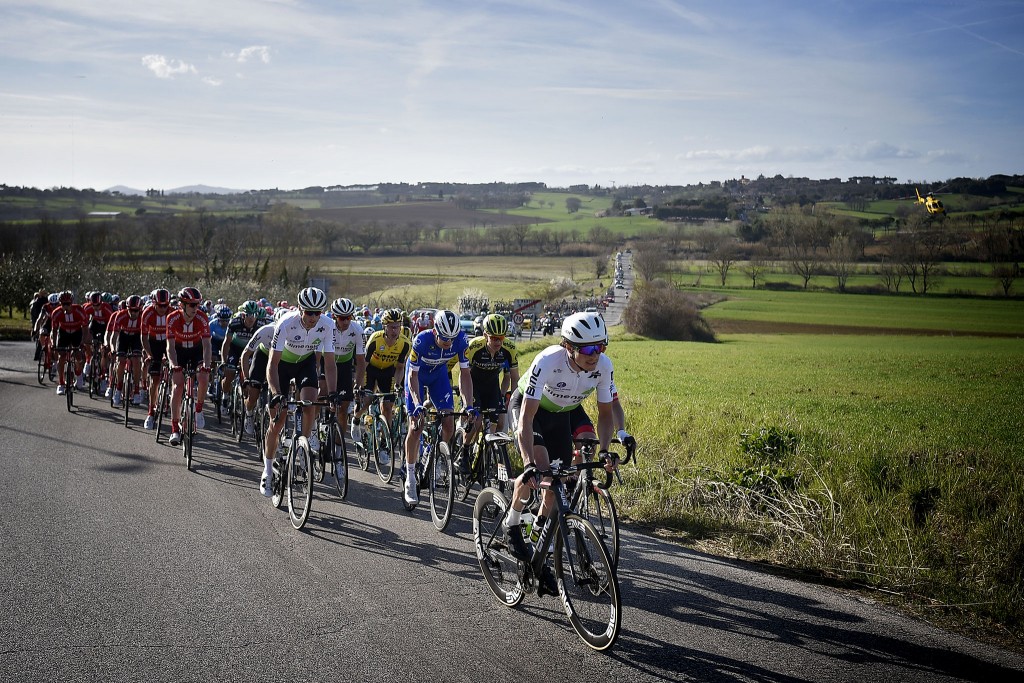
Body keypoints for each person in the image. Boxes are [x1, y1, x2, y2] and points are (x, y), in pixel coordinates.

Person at [502, 311, 619, 596]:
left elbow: (605, 415)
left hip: (563, 413)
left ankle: (539, 532)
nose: (595, 354)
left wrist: (604, 450)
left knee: (556, 487)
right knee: (540, 471)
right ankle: (512, 520)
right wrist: (529, 463)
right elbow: (526, 421)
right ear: (569, 347)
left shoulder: (603, 366)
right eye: (589, 349)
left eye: (600, 346)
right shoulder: (548, 361)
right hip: (532, 412)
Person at [260, 287, 339, 497]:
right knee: (277, 421)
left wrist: (332, 392)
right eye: (309, 312)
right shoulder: (286, 323)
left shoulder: (328, 325)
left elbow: (330, 364)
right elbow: (272, 364)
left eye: (318, 313)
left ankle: (302, 448)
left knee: (310, 404)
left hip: (305, 363)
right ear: (301, 309)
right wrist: (276, 392)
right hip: (282, 366)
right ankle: (267, 470)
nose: (313, 317)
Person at [402, 309, 476, 505]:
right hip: (417, 376)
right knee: (416, 426)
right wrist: (417, 403)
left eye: (452, 339)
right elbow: (413, 377)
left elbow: (465, 374)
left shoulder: (461, 340)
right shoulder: (421, 340)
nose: (449, 343)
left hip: (438, 376)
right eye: (445, 338)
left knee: (449, 423)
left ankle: (438, 458)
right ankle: (410, 477)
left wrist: (468, 404)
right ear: (435, 331)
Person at [359, 308, 411, 465]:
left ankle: (383, 443)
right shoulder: (375, 339)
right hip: (371, 370)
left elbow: (400, 368)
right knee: (367, 399)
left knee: (387, 406)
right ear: (384, 327)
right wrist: (359, 385)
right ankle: (356, 419)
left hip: (388, 372)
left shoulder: (404, 343)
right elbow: (363, 364)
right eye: (391, 326)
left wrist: (397, 385)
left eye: (398, 326)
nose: (395, 330)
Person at [165, 287, 213, 446]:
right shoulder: (172, 318)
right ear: (182, 305)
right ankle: (174, 429)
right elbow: (170, 347)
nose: (196, 308)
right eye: (192, 305)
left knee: (204, 376)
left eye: (198, 305)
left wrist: (206, 365)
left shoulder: (202, 317)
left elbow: (207, 345)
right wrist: (174, 365)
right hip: (179, 351)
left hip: (196, 351)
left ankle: (198, 410)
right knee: (177, 386)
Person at [325, 298, 365, 452]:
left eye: (349, 317)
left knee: (343, 408)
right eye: (342, 318)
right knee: (320, 394)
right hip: (326, 362)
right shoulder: (327, 327)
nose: (346, 321)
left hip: (344, 366)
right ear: (335, 316)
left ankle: (338, 448)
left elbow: (361, 361)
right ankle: (315, 429)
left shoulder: (357, 330)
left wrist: (358, 384)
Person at [220, 300, 262, 409]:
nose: (251, 318)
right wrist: (224, 361)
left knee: (248, 378)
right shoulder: (235, 322)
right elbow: (226, 342)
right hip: (235, 349)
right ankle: (225, 395)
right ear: (243, 315)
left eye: (254, 314)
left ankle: (246, 404)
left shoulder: (260, 325)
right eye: (248, 314)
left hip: (250, 350)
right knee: (230, 372)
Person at [140, 288, 172, 429]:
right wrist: (149, 354)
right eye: (160, 306)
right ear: (154, 303)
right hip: (153, 344)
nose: (163, 309)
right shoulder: (147, 313)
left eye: (166, 305)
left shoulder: (172, 312)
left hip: (168, 342)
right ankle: (151, 412)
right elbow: (144, 337)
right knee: (155, 378)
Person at [105, 294, 145, 406]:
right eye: (131, 310)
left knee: (137, 361)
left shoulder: (143, 317)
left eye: (136, 310)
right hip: (123, 337)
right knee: (121, 361)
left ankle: (136, 391)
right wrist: (113, 349)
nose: (133, 313)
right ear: (127, 308)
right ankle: (118, 390)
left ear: (140, 309)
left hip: (137, 337)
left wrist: (145, 350)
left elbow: (145, 336)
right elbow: (114, 336)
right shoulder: (120, 315)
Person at [50, 290, 89, 395]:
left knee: (78, 355)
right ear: (60, 304)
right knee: (61, 357)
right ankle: (61, 383)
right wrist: (54, 344)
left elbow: (85, 329)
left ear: (72, 303)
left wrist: (83, 342)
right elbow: (54, 330)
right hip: (64, 333)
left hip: (77, 332)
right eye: (63, 304)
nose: (66, 306)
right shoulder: (56, 313)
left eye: (68, 304)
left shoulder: (79, 310)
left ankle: (79, 374)